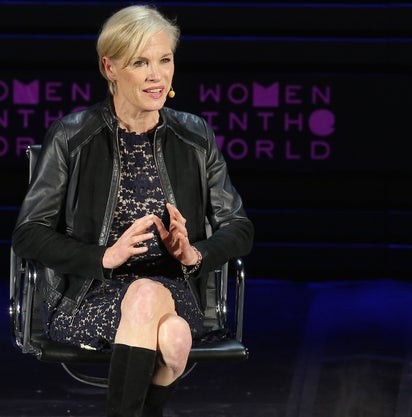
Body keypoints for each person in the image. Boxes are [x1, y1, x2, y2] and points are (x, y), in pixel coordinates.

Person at [11, 5, 253, 417]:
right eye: (141, 62)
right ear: (110, 67)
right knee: (172, 338)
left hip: (177, 291)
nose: (157, 75)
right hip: (90, 293)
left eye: (164, 59)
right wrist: (102, 256)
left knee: (163, 314)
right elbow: (28, 232)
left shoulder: (195, 136)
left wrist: (194, 254)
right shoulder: (72, 136)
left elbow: (239, 227)